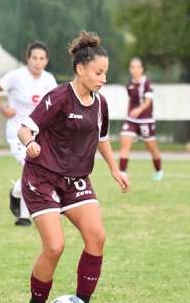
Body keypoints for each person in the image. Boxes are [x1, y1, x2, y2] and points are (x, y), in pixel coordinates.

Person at [17, 31, 129, 303]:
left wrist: (115, 169)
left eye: (106, 73)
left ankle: (82, 300)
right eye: (98, 72)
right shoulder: (58, 97)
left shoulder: (101, 103)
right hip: (41, 177)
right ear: (80, 69)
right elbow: (24, 129)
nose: (103, 78)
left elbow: (102, 139)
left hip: (76, 180)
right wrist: (31, 142)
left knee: (97, 237)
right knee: (55, 247)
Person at [0, 41, 58, 226]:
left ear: (46, 61)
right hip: (18, 132)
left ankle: (17, 194)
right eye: (34, 58)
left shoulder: (49, 80)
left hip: (39, 134)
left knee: (35, 171)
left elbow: (55, 105)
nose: (37, 62)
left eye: (42, 58)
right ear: (28, 59)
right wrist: (3, 110)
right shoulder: (16, 76)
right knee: (31, 166)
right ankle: (24, 214)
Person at [118, 57, 163, 180]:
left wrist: (138, 110)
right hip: (131, 119)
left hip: (146, 120)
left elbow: (148, 102)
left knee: (151, 147)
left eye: (138, 67)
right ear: (130, 69)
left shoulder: (147, 83)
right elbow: (131, 101)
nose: (135, 70)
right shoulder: (129, 84)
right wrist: (129, 114)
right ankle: (122, 172)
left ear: (142, 69)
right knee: (125, 143)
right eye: (133, 67)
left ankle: (158, 171)